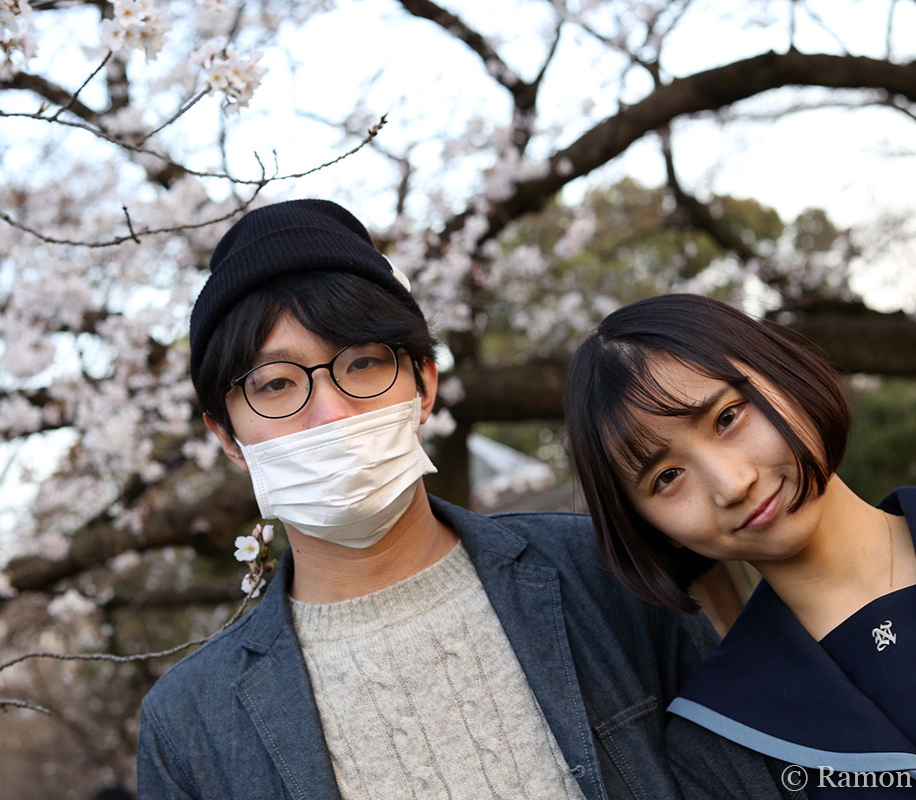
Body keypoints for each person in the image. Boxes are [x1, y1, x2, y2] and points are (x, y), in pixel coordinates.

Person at [136, 201, 773, 799]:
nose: (330, 413)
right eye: (275, 384)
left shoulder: (603, 571)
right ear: (227, 436)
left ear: (425, 383)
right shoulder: (190, 727)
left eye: (362, 363)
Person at [564, 293, 916, 799]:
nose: (732, 484)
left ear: (784, 378)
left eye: (727, 418)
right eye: (667, 477)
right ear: (649, 526)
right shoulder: (720, 749)